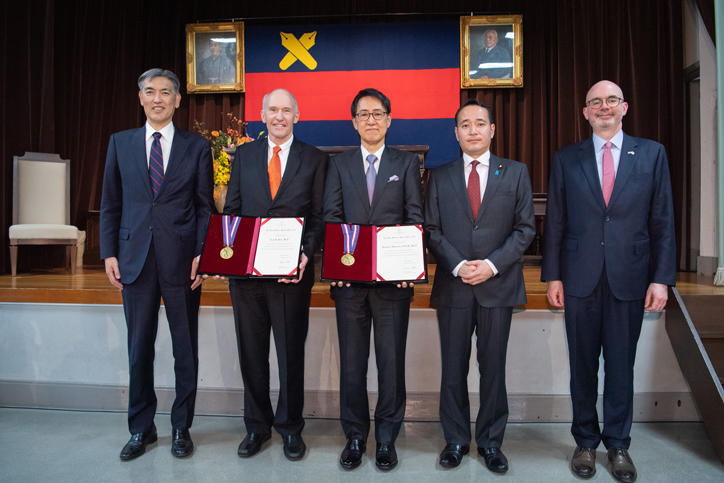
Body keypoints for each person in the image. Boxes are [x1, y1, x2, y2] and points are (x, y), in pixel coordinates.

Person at [541, 80, 676, 483]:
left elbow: (663, 220)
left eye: (611, 100)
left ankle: (618, 445)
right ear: (585, 112)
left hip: (630, 278)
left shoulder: (651, 153)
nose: (604, 107)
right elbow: (556, 221)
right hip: (578, 278)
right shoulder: (567, 158)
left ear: (624, 107)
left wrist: (661, 279)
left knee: (620, 367)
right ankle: (585, 442)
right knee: (581, 367)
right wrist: (553, 275)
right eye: (595, 102)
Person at [100, 68, 214, 461]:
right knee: (138, 349)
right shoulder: (120, 143)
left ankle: (182, 426)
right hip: (134, 260)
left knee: (185, 349)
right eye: (150, 91)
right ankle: (141, 428)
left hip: (182, 263)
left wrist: (202, 252)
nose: (158, 98)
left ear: (178, 100)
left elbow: (204, 207)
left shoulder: (196, 146)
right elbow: (111, 203)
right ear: (140, 97)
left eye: (166, 92)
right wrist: (109, 252)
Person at [424, 99, 535, 472]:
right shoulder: (439, 176)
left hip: (497, 287)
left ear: (492, 130)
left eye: (480, 123)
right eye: (465, 124)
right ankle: (455, 440)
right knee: (453, 369)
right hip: (453, 286)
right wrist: (458, 265)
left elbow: (525, 229)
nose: (473, 129)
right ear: (456, 133)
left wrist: (490, 265)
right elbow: (431, 229)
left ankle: (490, 442)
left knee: (493, 369)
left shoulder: (515, 173)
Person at [224, 88, 328, 461]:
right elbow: (232, 210)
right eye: (273, 110)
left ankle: (290, 428)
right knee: (251, 354)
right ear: (263, 115)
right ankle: (256, 426)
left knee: (289, 355)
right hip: (247, 278)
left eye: (286, 110)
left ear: (297, 116)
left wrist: (305, 254)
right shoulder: (244, 156)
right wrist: (228, 256)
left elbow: (320, 217)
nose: (279, 116)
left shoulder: (315, 159)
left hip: (291, 276)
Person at [323, 88, 423, 471]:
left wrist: (408, 267)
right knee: (352, 364)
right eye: (363, 114)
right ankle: (354, 436)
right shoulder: (339, 165)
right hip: (349, 286)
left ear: (389, 120)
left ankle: (386, 438)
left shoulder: (406, 163)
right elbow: (332, 218)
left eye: (377, 113)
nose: (371, 120)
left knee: (390, 363)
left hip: (393, 286)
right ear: (354, 122)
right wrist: (338, 268)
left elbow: (414, 217)